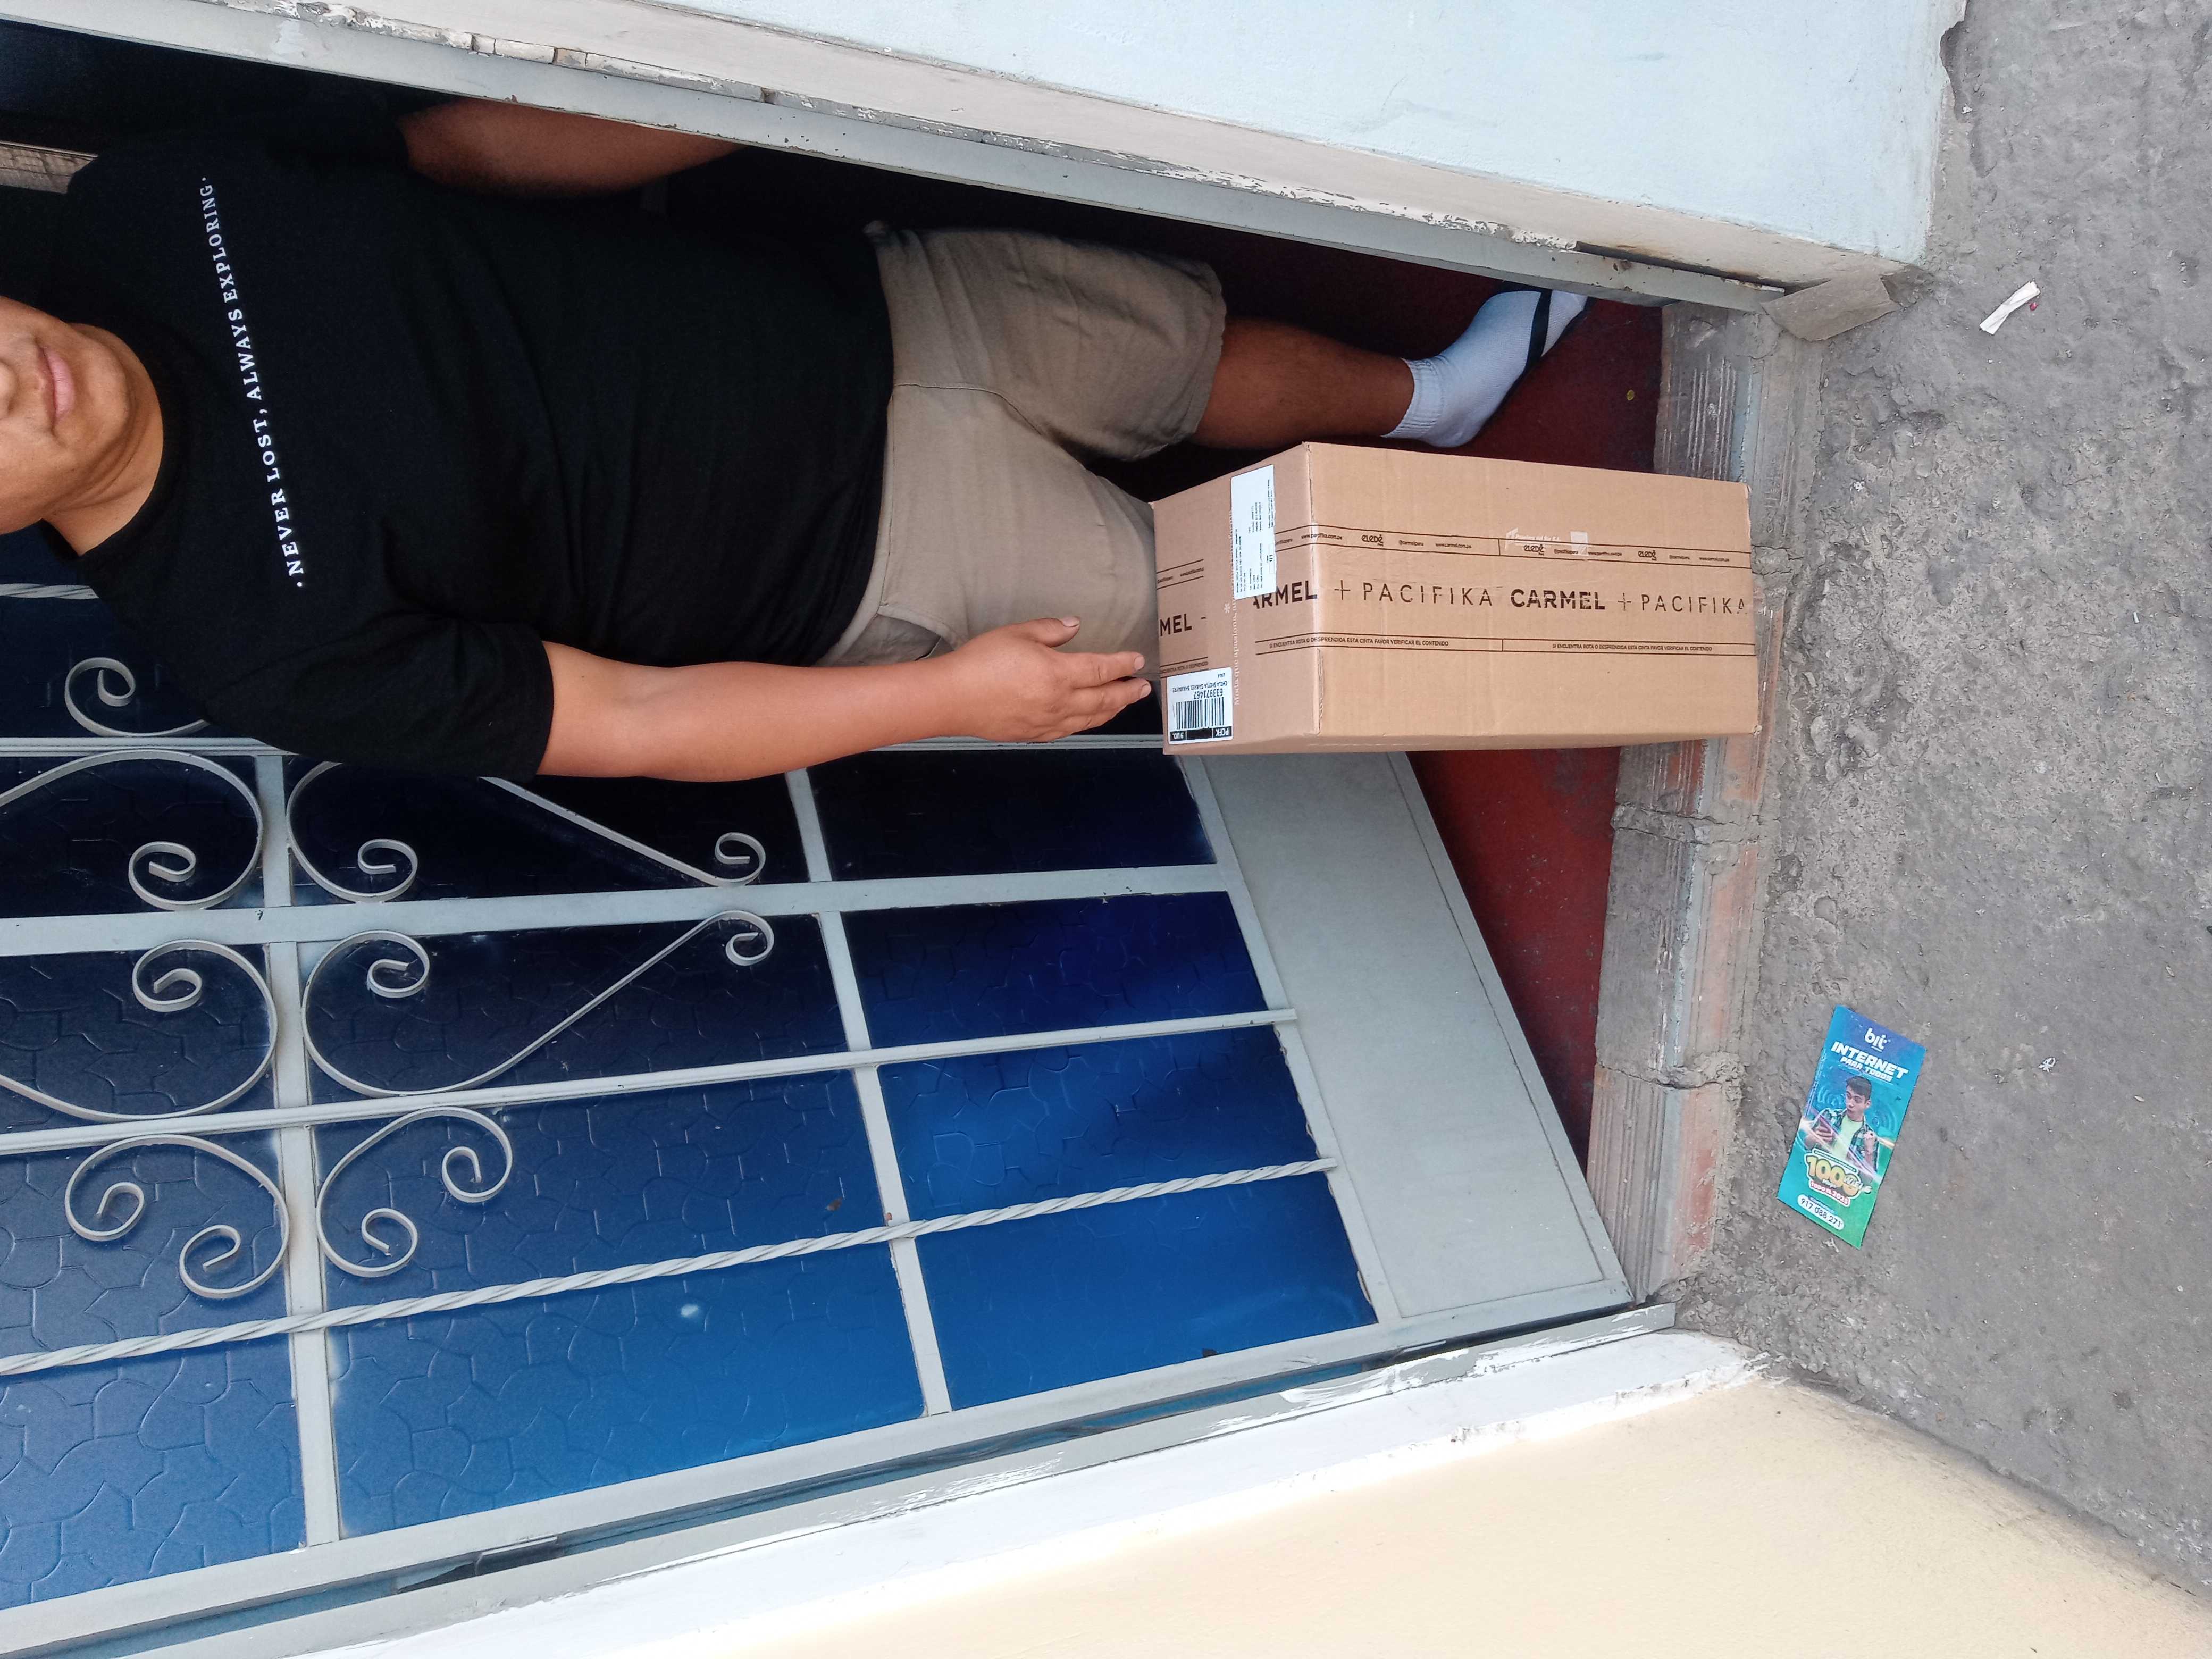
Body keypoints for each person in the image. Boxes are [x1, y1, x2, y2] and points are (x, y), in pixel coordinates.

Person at [1, 96, 1585, 782]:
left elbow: (463, 148)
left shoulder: (147, 205)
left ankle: (1437, 400)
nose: (7, 381)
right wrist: (943, 700)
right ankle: (1582, 631)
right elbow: (631, 721)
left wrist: (748, 104)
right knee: (1234, 604)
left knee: (1194, 352)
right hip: (874, 555)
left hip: (866, 308)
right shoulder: (254, 646)